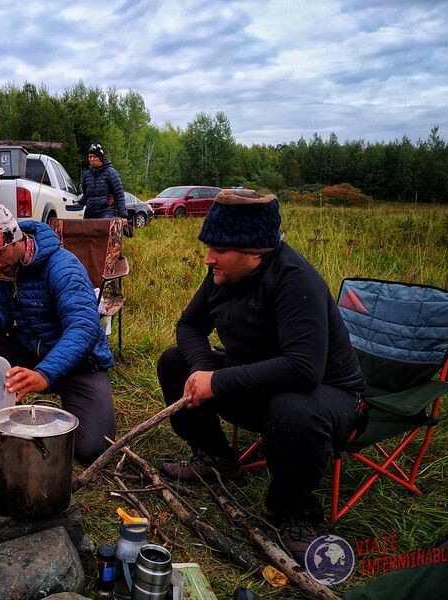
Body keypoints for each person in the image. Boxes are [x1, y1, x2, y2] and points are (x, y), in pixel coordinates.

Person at [156, 190, 365, 563]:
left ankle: (293, 510)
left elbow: (304, 369)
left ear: (255, 252)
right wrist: (203, 369)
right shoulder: (222, 274)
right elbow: (189, 325)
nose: (208, 258)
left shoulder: (295, 280)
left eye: (218, 249)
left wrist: (217, 383)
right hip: (258, 384)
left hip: (324, 394)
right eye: (208, 247)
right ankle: (217, 459)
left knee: (293, 410)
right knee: (174, 362)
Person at [0, 204, 116, 463]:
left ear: (17, 239)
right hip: (30, 354)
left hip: (79, 365)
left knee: (93, 448)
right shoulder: (0, 268)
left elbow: (84, 328)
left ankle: (54, 394)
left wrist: (45, 374)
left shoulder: (62, 267)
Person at [79, 143, 127, 221]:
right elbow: (86, 195)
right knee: (86, 232)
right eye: (90, 157)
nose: (92, 159)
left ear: (100, 157)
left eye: (94, 156)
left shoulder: (111, 173)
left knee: (104, 232)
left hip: (107, 211)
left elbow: (119, 195)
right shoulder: (87, 175)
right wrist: (78, 202)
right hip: (90, 212)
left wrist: (123, 215)